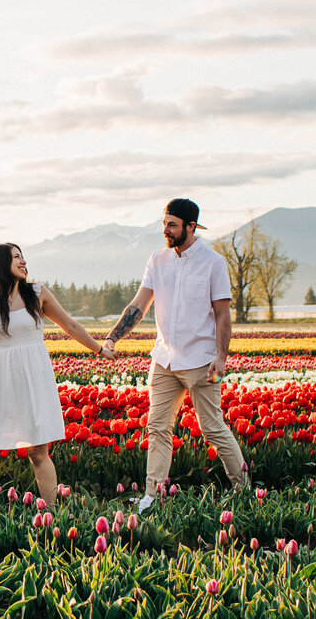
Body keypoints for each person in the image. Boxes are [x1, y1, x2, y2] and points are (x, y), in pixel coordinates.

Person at [101, 198, 246, 512]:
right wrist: (113, 337)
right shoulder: (157, 260)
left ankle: (243, 490)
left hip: (204, 361)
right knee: (157, 427)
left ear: (191, 227)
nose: (165, 230)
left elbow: (223, 315)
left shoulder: (213, 262)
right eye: (164, 223)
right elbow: (138, 306)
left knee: (213, 428)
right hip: (164, 359)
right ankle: (151, 497)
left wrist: (222, 359)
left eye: (172, 225)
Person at [0, 243, 114, 510]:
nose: (23, 261)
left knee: (38, 452)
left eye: (23, 257)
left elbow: (70, 325)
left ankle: (53, 514)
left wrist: (100, 349)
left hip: (35, 378)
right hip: (1, 382)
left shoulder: (37, 293)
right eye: (16, 257)